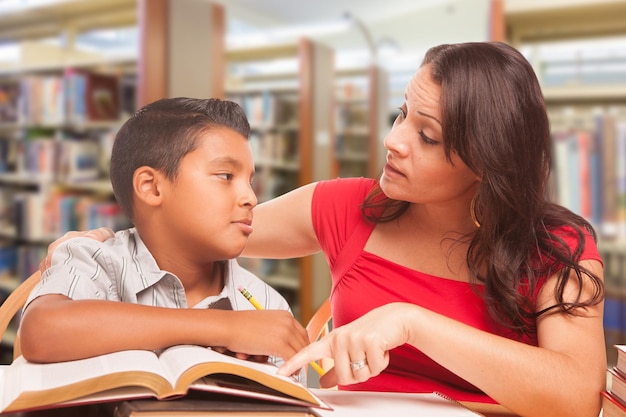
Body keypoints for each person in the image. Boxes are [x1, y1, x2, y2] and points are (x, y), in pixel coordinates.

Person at [40, 42, 605, 417]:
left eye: (426, 135)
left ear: (488, 158)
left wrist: (412, 323)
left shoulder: (557, 247)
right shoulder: (347, 207)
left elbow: (578, 396)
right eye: (401, 114)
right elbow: (207, 218)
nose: (395, 140)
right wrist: (107, 238)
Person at [19, 97, 309, 365]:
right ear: (151, 187)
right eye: (225, 176)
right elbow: (42, 330)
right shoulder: (94, 260)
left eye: (249, 180)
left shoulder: (265, 305)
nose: (251, 198)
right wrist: (225, 328)